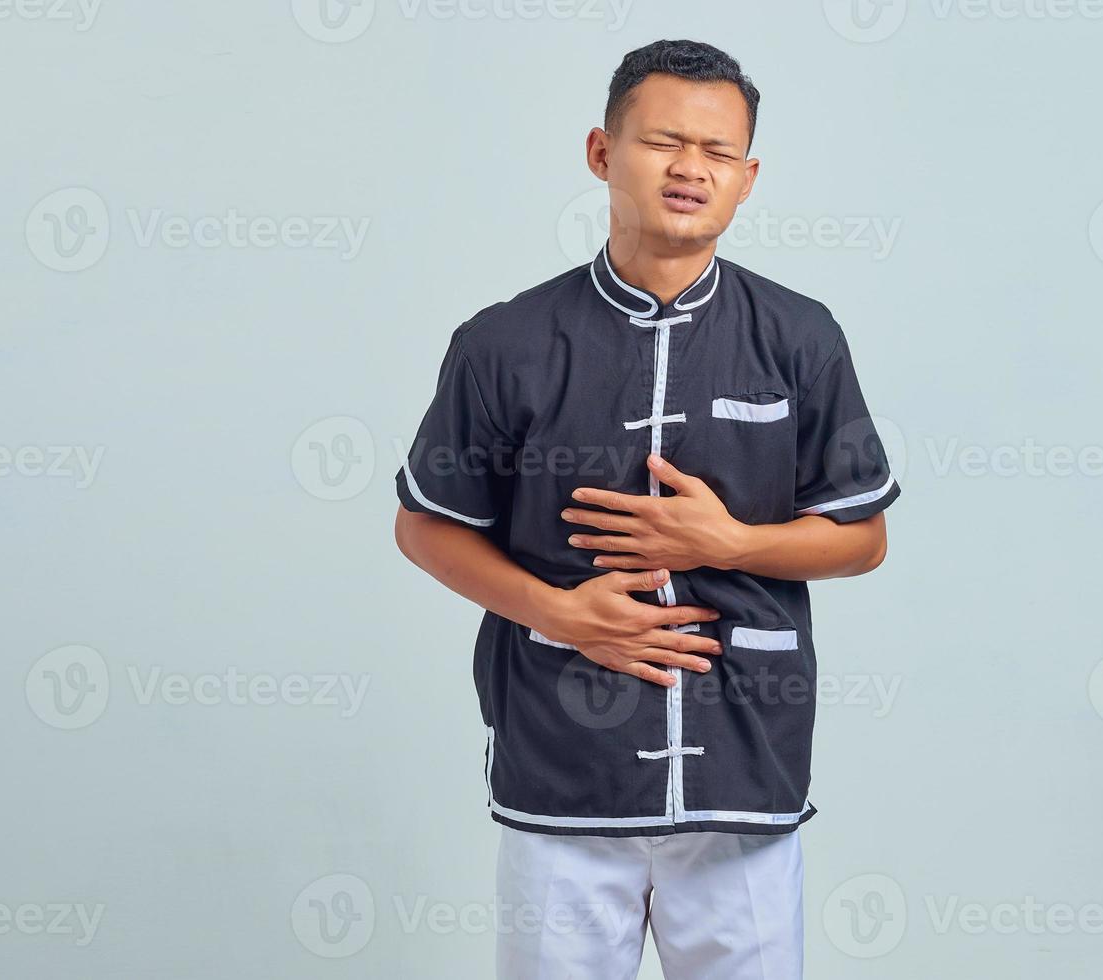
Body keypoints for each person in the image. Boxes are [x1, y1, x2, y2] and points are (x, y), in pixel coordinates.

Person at [394, 38, 901, 980]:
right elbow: (424, 524)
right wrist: (558, 612)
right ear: (601, 152)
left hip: (744, 772)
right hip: (562, 767)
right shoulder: (504, 343)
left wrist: (733, 541)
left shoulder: (801, 337)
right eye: (664, 142)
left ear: (748, 179)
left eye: (717, 153)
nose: (689, 170)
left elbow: (863, 537)